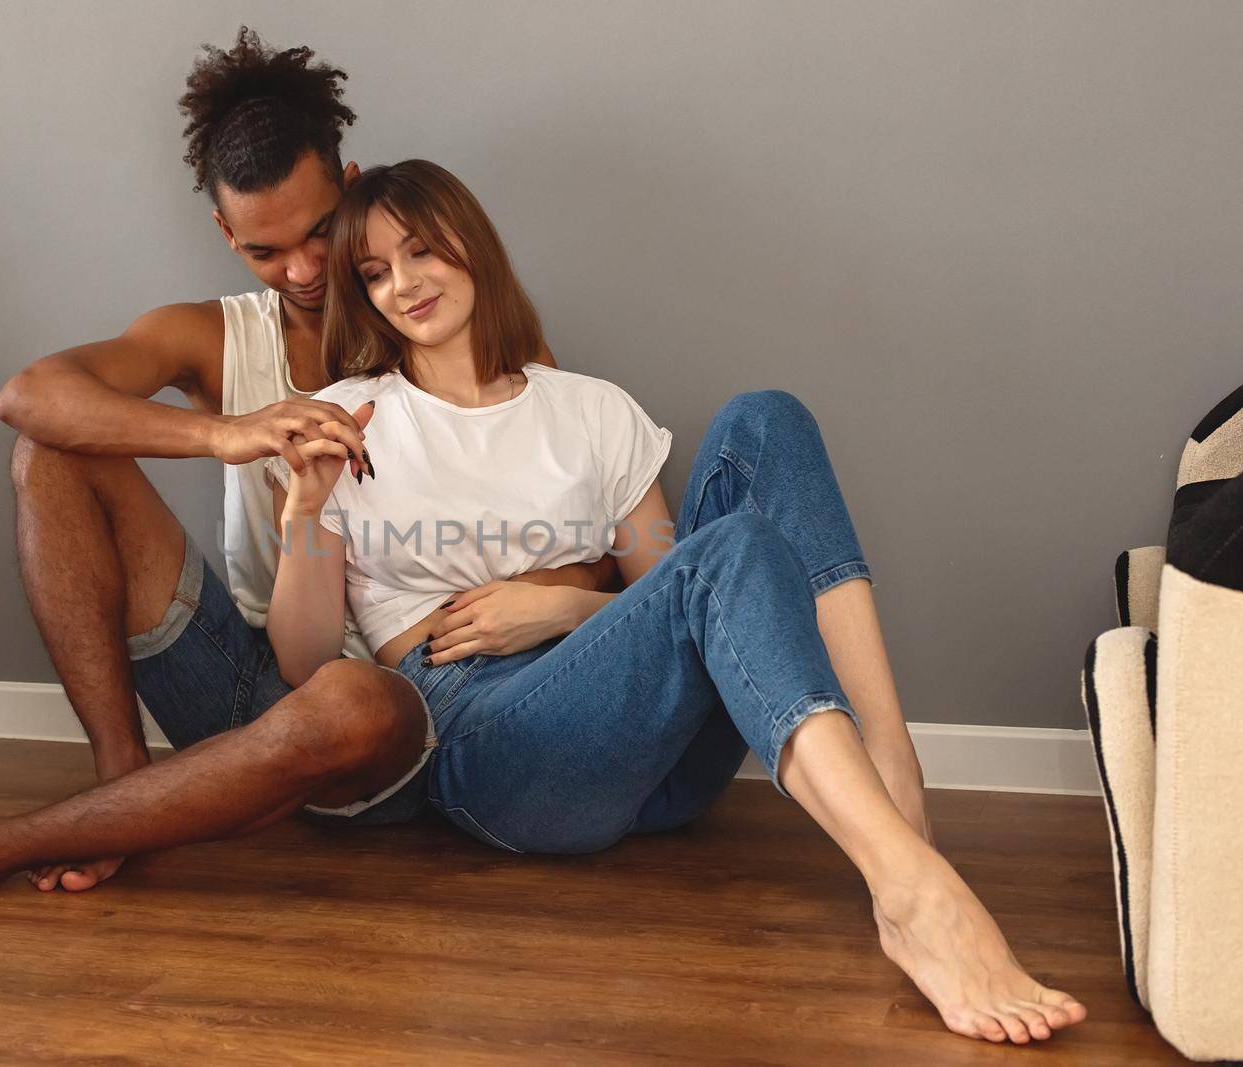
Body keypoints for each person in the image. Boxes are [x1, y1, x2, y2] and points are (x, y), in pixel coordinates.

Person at [261, 158, 1088, 1046]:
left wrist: (563, 612)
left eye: (420, 249)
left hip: (656, 764)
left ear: (472, 240)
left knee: (767, 420)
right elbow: (307, 663)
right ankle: (912, 888)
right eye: (375, 272)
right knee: (726, 552)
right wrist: (307, 506)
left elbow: (665, 597)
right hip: (488, 742)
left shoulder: (591, 409)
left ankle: (897, 787)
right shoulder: (349, 418)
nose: (404, 284)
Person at [0, 29, 611, 898]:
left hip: (402, 708)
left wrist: (547, 595)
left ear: (353, 186)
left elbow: (584, 524)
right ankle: (120, 782)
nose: (300, 269)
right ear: (225, 232)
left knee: (351, 695)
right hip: (243, 675)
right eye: (263, 249)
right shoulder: (216, 338)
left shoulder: (455, 325)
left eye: (321, 233)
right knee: (50, 452)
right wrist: (228, 432)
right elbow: (29, 393)